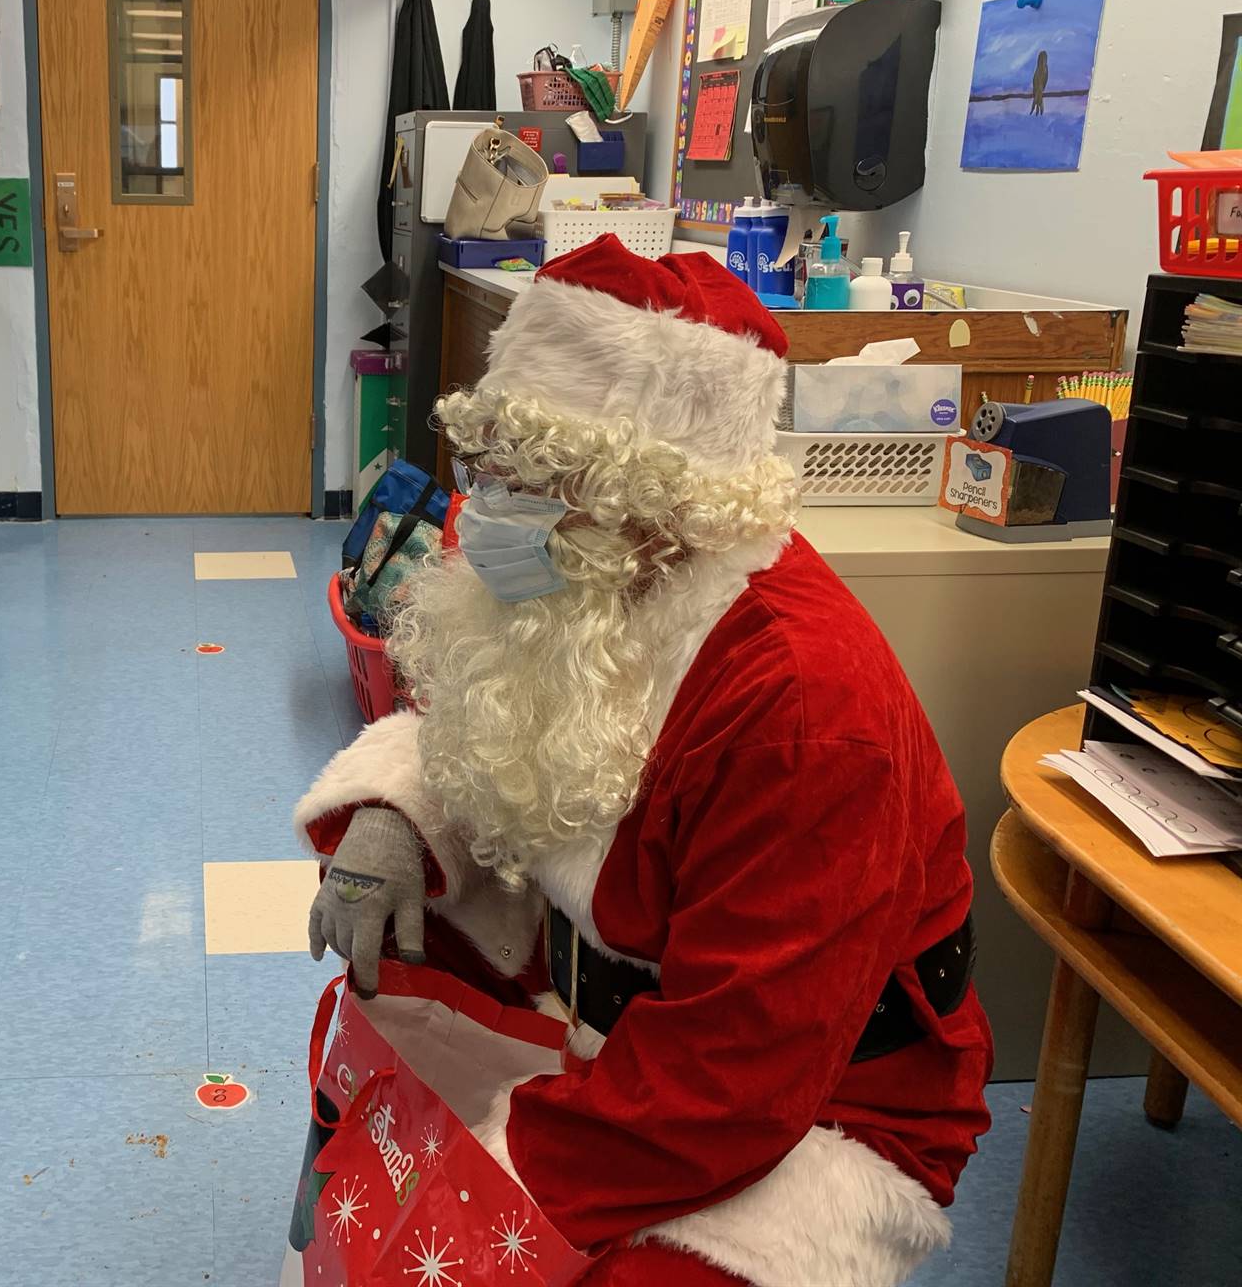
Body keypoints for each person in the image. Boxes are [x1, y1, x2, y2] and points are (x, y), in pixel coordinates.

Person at [297, 237, 992, 1287]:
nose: (482, 511)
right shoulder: (565, 561)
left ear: (657, 505)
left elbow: (736, 1080)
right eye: (490, 466)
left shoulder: (803, 704)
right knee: (394, 945)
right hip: (612, 988)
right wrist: (397, 812)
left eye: (532, 479)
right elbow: (487, 718)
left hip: (820, 1102)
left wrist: (488, 1195)